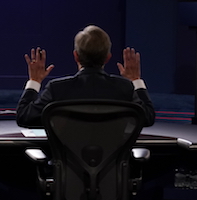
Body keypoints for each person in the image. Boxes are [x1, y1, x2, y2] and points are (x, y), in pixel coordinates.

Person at [16, 25, 155, 128]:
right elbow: (148, 118)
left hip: (67, 166)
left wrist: (34, 82)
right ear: (108, 58)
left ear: (76, 56)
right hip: (113, 166)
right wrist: (136, 80)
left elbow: (24, 117)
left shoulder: (57, 88)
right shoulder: (124, 88)